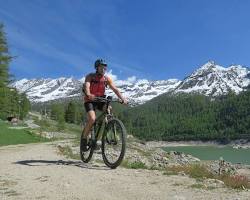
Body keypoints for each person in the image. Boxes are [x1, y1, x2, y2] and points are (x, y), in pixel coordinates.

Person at [81, 59, 127, 151]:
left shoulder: (106, 79)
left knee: (109, 108)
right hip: (90, 100)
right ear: (97, 68)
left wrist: (123, 99)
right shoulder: (90, 76)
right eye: (101, 67)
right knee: (92, 119)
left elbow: (115, 89)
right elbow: (87, 86)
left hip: (100, 100)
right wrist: (89, 94)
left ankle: (107, 127)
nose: (103, 69)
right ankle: (84, 139)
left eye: (105, 68)